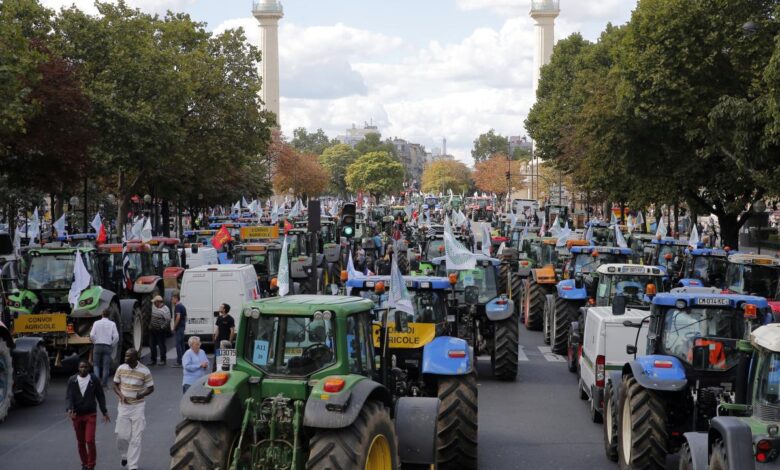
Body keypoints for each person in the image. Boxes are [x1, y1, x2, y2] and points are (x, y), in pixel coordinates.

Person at [113, 349, 153, 470]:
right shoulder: (121, 368)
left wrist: (140, 395)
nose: (125, 357)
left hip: (138, 407)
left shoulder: (144, 371)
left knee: (136, 437)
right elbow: (115, 385)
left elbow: (151, 388)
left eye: (128, 356)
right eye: (125, 355)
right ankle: (125, 455)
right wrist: (121, 395)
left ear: (136, 357)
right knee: (122, 436)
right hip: (123, 407)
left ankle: (133, 465)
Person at [67, 360, 110, 470]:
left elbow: (100, 396)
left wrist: (104, 411)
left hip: (90, 414)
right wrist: (69, 409)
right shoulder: (72, 380)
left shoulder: (94, 379)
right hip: (77, 415)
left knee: (89, 440)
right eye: (81, 367)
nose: (83, 369)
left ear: (89, 368)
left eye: (85, 367)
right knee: (81, 442)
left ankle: (91, 465)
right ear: (78, 368)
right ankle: (84, 464)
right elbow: (69, 397)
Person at [89, 309, 119, 387]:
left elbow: (91, 335)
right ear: (109, 315)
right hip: (107, 346)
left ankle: (96, 382)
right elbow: (116, 337)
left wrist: (95, 341)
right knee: (106, 366)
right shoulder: (112, 324)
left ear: (102, 314)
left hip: (97, 345)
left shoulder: (96, 323)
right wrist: (112, 344)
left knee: (96, 365)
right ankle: (104, 383)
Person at [148, 295, 170, 366]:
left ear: (158, 302)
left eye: (155, 302)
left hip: (160, 331)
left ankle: (163, 360)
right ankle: (153, 360)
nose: (154, 303)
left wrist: (161, 327)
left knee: (161, 345)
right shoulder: (155, 307)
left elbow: (167, 320)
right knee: (152, 345)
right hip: (152, 330)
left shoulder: (165, 309)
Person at [171, 292, 187, 367]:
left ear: (176, 298)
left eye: (173, 299)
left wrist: (174, 327)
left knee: (178, 345)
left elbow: (178, 317)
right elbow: (186, 317)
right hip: (182, 327)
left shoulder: (178, 306)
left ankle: (179, 361)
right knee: (182, 344)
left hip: (179, 327)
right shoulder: (183, 306)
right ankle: (184, 360)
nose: (171, 300)